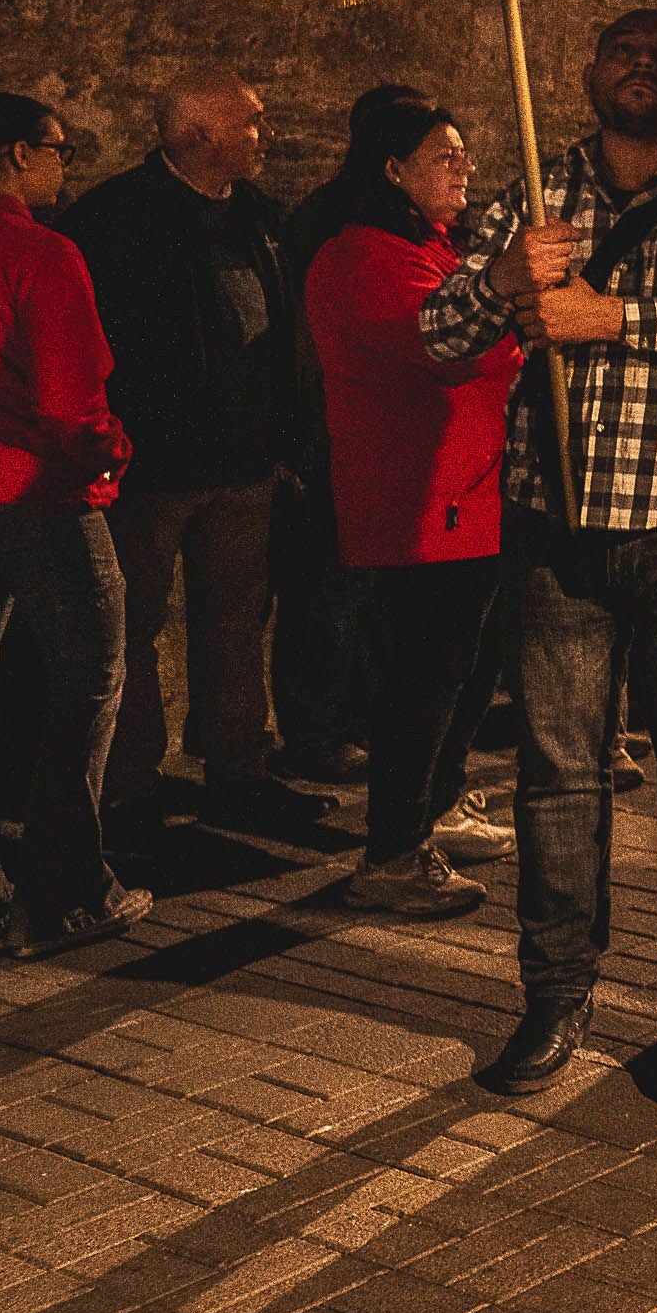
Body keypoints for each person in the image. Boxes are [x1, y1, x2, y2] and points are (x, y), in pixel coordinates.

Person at [422, 9, 657, 1103]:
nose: (642, 67)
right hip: (558, 532)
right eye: (623, 52)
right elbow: (438, 334)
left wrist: (618, 318)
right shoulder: (537, 197)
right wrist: (503, 282)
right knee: (556, 778)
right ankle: (554, 999)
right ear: (587, 72)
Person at [0, 95, 145, 961]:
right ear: (16, 156)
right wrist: (108, 457)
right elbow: (68, 398)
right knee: (88, 679)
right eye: (59, 150)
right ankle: (67, 894)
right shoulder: (41, 255)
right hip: (35, 496)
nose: (66, 166)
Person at [56, 67, 296, 816]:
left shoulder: (256, 214)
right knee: (134, 625)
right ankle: (127, 783)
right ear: (200, 135)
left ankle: (238, 766)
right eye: (252, 120)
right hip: (153, 465)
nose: (266, 134)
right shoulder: (114, 219)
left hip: (243, 460)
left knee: (236, 620)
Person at [305, 100, 523, 919]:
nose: (463, 167)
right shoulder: (368, 256)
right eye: (443, 155)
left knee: (463, 669)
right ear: (391, 170)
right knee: (422, 679)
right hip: (420, 497)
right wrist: (508, 318)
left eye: (465, 153)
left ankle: (435, 806)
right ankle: (392, 850)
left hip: (467, 493)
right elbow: (449, 350)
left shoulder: (431, 250)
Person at [268, 82, 439, 786]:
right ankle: (317, 730)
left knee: (374, 594)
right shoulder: (337, 220)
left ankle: (363, 718)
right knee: (331, 591)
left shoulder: (408, 219)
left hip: (387, 431)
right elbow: (308, 334)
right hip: (338, 428)